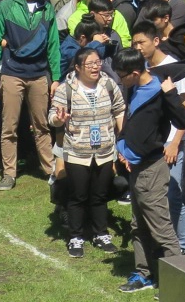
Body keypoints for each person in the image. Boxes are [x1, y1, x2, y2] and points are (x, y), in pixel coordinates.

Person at [115, 47, 185, 293]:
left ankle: (177, 284)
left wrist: (171, 94)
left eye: (122, 75)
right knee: (138, 225)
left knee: (161, 227)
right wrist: (123, 148)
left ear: (135, 73)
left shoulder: (160, 90)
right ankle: (144, 273)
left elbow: (182, 120)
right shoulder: (133, 87)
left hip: (152, 168)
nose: (120, 80)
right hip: (136, 166)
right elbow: (131, 121)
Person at [0, 0, 62, 191]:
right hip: (12, 74)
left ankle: (50, 170)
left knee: (42, 125)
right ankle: (9, 173)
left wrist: (55, 77)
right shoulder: (6, 7)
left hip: (39, 75)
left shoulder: (47, 9)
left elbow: (53, 45)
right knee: (10, 126)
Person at [47, 47, 125, 258]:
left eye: (97, 62)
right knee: (78, 195)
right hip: (77, 152)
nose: (95, 67)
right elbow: (52, 117)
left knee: (100, 195)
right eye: (89, 64)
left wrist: (122, 137)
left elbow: (119, 109)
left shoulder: (109, 84)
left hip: (105, 151)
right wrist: (59, 119)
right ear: (78, 67)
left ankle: (101, 234)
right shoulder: (65, 89)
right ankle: (76, 236)